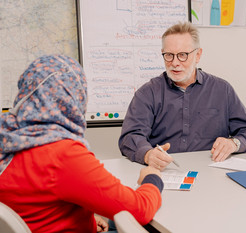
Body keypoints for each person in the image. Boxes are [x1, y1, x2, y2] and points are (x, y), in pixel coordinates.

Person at [0, 55, 163, 233]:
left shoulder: (7, 136)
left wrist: (88, 214)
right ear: (73, 98)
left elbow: (36, 201)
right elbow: (140, 210)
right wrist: (152, 179)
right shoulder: (61, 154)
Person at [119, 22, 246, 170]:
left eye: (182, 55)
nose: (175, 63)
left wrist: (233, 144)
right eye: (169, 55)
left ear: (198, 55)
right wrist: (148, 154)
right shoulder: (148, 93)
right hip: (165, 171)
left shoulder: (222, 89)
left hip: (211, 172)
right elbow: (129, 138)